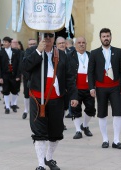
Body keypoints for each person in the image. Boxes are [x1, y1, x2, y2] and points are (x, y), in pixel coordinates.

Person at [22, 32, 78, 170]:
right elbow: (24, 68)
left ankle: (49, 157)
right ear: (40, 37)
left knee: (56, 132)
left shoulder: (62, 54)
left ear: (54, 38)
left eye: (50, 36)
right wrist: (38, 51)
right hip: (37, 99)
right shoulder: (31, 51)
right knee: (39, 132)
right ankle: (40, 163)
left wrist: (74, 96)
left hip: (56, 99)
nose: (47, 38)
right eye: (45, 36)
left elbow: (70, 77)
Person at [88, 28, 121, 149]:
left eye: (108, 36)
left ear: (111, 37)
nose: (106, 38)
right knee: (102, 114)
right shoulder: (94, 53)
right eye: (104, 36)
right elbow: (90, 72)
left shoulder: (118, 51)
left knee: (118, 113)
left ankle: (116, 140)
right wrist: (91, 88)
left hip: (115, 87)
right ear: (100, 38)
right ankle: (105, 139)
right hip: (100, 88)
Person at [67, 36, 96, 139]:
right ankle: (78, 130)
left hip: (89, 88)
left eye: (83, 42)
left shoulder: (91, 55)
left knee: (91, 109)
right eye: (79, 42)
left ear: (86, 44)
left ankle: (85, 125)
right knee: (75, 109)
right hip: (76, 88)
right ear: (75, 44)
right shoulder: (70, 56)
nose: (81, 44)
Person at [0, 37, 21, 114]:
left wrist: (18, 75)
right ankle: (7, 107)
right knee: (6, 91)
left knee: (15, 90)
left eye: (6, 42)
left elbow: (18, 64)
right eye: (3, 42)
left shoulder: (16, 52)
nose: (4, 43)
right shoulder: (0, 52)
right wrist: (0, 77)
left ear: (10, 43)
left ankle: (13, 104)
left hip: (14, 75)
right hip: (5, 75)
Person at [22, 38, 37, 119]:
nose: (32, 46)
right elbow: (22, 66)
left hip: (37, 78)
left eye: (34, 44)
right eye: (31, 44)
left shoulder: (39, 53)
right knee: (26, 94)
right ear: (28, 45)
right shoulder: (24, 53)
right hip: (27, 77)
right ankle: (25, 110)